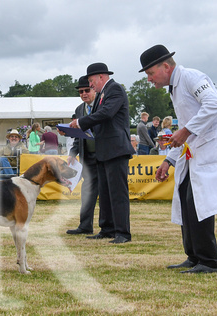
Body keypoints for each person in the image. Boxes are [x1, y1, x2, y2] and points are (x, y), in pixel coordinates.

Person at [142, 44, 217, 273]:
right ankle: (194, 256)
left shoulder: (191, 77)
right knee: (186, 200)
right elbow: (185, 129)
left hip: (210, 148)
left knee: (198, 203)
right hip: (194, 151)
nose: (149, 79)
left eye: (150, 73)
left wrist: (185, 131)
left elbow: (214, 104)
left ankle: (210, 261)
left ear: (166, 66)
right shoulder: (175, 88)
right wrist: (168, 160)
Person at [70, 62, 133, 244]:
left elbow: (106, 113)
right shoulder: (102, 94)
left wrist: (81, 123)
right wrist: (73, 129)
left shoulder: (115, 89)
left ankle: (122, 232)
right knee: (105, 193)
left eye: (91, 81)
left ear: (101, 77)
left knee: (118, 193)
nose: (90, 85)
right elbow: (98, 120)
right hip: (104, 151)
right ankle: (107, 228)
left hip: (116, 149)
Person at [67, 76, 99, 235]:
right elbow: (77, 136)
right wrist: (73, 153)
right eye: (81, 91)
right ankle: (85, 225)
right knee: (87, 192)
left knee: (106, 194)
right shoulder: (79, 109)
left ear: (94, 89)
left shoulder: (103, 105)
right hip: (88, 157)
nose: (84, 93)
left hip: (105, 155)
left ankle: (109, 228)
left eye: (87, 90)